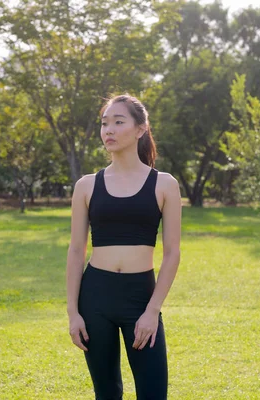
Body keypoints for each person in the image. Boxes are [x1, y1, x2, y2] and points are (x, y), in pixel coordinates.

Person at [66, 94, 182, 399]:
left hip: (141, 296)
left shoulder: (164, 184)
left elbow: (172, 253)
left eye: (119, 122)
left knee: (153, 392)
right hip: (95, 296)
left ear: (141, 129)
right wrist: (73, 313)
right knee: (106, 393)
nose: (109, 130)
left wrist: (152, 310)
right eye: (105, 124)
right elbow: (76, 250)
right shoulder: (86, 186)